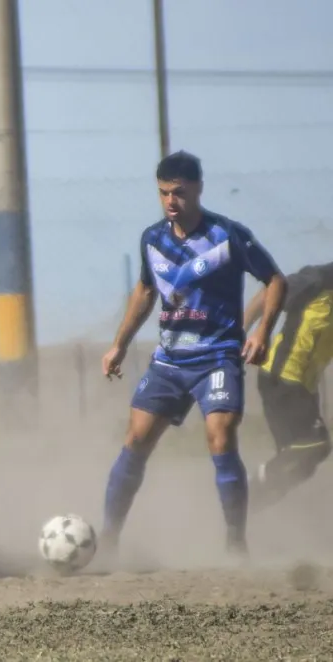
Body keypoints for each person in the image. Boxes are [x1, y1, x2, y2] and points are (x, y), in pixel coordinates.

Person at [100, 150, 287, 559]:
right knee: (135, 440)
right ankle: (108, 541)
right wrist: (120, 344)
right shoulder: (153, 238)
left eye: (179, 193)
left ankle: (236, 543)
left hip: (218, 355)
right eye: (164, 193)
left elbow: (275, 279)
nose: (171, 201)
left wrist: (263, 331)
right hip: (168, 361)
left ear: (198, 189)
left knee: (220, 437)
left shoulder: (228, 235)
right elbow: (146, 291)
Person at [244, 261, 333, 511]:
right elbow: (270, 292)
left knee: (302, 465)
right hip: (282, 378)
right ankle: (245, 491)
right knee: (316, 445)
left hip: (302, 387)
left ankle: (245, 516)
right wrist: (241, 331)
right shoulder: (319, 279)